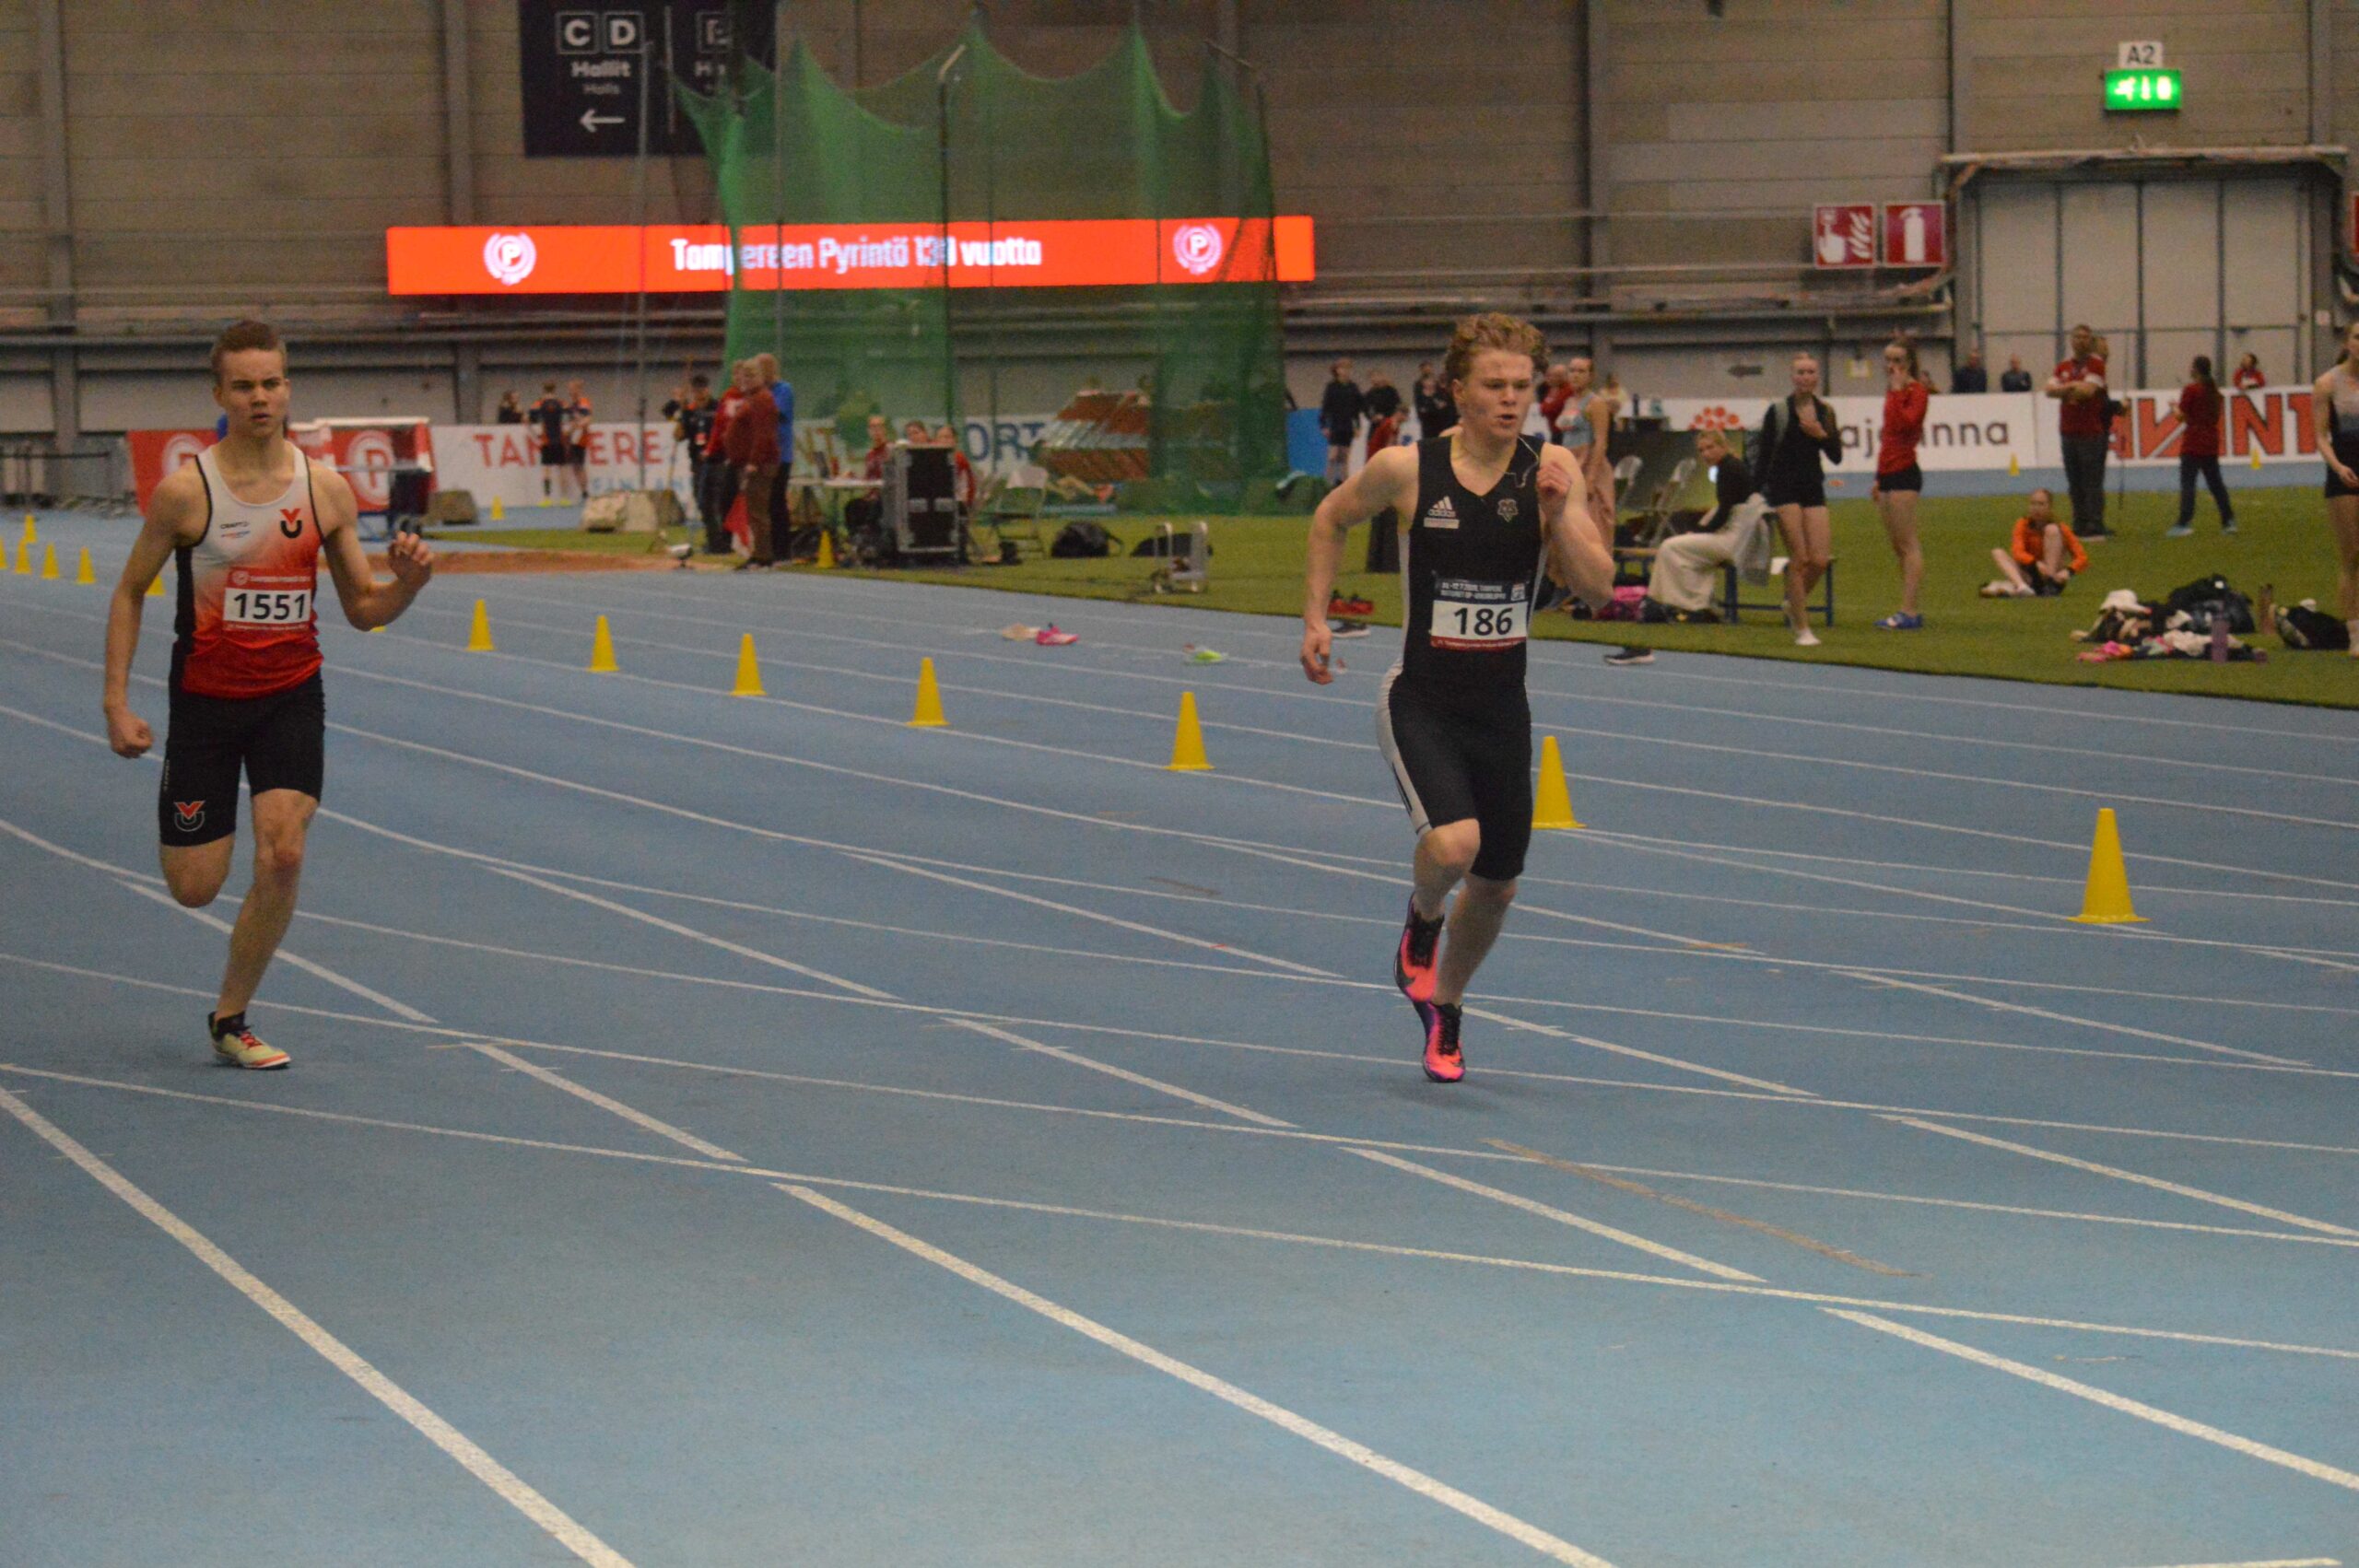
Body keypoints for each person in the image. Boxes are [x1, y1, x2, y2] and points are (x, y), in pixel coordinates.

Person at [101, 320, 434, 1070]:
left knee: (283, 852)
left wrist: (407, 587)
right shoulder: (187, 494)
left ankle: (232, 1017)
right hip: (206, 705)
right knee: (195, 887)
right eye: (245, 385)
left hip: (290, 695)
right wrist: (116, 703)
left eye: (273, 382)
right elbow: (129, 591)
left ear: (288, 388)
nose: (261, 397)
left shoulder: (324, 490)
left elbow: (364, 610)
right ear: (220, 394)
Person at [1299, 312, 1614, 1085]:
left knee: (1499, 884)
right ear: (1458, 392)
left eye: (1522, 386)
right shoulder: (1408, 469)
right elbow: (1331, 517)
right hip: (1422, 698)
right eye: (1494, 385)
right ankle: (1423, 914)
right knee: (1452, 847)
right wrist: (1316, 617)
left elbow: (1600, 589)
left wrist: (1553, 518)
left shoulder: (1552, 467)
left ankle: (1447, 1004)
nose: (1510, 400)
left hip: (1502, 708)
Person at [1755, 352, 1844, 647]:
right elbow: (1764, 455)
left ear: (1817, 377)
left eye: (1811, 372)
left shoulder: (1825, 411)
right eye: (1801, 372)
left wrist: (1820, 434)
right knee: (1800, 557)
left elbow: (1836, 455)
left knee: (1819, 559)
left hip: (1812, 486)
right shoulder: (1779, 411)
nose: (1806, 377)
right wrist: (1755, 493)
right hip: (1783, 487)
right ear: (1793, 377)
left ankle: (1794, 601)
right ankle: (1802, 628)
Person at [1637, 427, 1760, 627]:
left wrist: (1700, 532)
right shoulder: (1732, 466)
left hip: (1734, 539)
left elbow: (1724, 512)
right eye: (1701, 450)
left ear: (1723, 446)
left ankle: (1673, 603)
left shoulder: (1728, 469)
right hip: (1738, 536)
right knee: (1687, 553)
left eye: (1710, 448)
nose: (1705, 454)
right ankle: (1695, 605)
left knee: (1670, 547)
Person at [2307, 321, 2359, 657]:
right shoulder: (2327, 384)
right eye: (2358, 337)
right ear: (2347, 342)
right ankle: (2355, 634)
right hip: (2345, 473)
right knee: (2353, 556)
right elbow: (2320, 436)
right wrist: (2338, 467)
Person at [1872, 339, 1931, 629]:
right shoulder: (1892, 391)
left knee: (1908, 544)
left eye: (1897, 360)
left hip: (1905, 472)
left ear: (1908, 363)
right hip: (1888, 472)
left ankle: (1908, 611)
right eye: (1888, 359)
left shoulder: (1916, 391)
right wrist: (1878, 477)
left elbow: (1908, 423)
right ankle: (1908, 605)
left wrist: (1897, 392)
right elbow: (1888, 436)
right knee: (1898, 545)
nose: (1891, 365)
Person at [2047, 324, 2111, 540]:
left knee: (2091, 481)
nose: (2081, 341)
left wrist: (2065, 389)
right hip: (2068, 431)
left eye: (2085, 337)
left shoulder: (2096, 365)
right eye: (2077, 337)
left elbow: (2087, 391)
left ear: (2090, 341)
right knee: (2074, 481)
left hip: (2090, 431)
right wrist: (2073, 386)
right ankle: (2079, 523)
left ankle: (2095, 523)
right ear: (2071, 340)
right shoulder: (2063, 365)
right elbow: (2049, 390)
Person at [2170, 356, 2235, 538]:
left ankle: (2184, 522)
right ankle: (2228, 520)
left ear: (2196, 369)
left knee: (2188, 484)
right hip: (2210, 442)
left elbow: (2181, 416)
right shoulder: (2214, 392)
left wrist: (2173, 407)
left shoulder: (2191, 390)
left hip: (2193, 442)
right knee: (2216, 484)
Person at [723, 358, 780, 568]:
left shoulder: (762, 399)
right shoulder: (752, 399)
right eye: (744, 376)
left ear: (761, 377)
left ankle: (764, 556)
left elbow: (763, 434)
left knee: (758, 510)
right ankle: (758, 553)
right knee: (753, 510)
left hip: (759, 464)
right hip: (747, 461)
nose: (746, 380)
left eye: (751, 376)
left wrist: (754, 461)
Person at [1982, 488, 2085, 597]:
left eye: (2041, 504)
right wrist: (2034, 563)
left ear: (2049, 507)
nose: (2036, 509)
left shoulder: (2061, 528)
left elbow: (2082, 557)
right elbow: (2017, 552)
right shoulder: (2022, 524)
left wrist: (2069, 571)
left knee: (2052, 530)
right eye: (2033, 504)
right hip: (2031, 572)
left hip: (2053, 576)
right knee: (1997, 552)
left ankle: (2049, 584)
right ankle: (2022, 586)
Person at [664, 374, 717, 539]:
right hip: (697, 462)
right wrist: (680, 416)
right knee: (702, 500)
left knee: (717, 501)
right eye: (696, 390)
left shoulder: (717, 407)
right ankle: (712, 538)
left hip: (717, 461)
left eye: (702, 389)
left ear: (707, 389)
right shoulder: (690, 411)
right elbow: (678, 436)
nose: (700, 392)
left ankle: (721, 540)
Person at [701, 369, 745, 556]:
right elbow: (718, 426)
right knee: (725, 499)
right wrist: (711, 449)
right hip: (728, 457)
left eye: (742, 375)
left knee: (743, 499)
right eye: (735, 375)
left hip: (745, 456)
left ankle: (743, 540)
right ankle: (725, 540)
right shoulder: (728, 396)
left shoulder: (751, 397)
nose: (738, 378)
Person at [757, 353, 795, 555]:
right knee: (764, 503)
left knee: (777, 500)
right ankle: (767, 546)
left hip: (781, 454)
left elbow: (775, 413)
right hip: (763, 455)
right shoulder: (760, 392)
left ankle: (782, 549)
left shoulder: (784, 389)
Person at [1320, 359, 1362, 485]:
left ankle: (1344, 483)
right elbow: (1326, 406)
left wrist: (1357, 426)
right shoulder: (1331, 387)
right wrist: (1324, 425)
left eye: (1348, 368)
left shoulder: (1353, 387)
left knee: (1344, 457)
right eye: (1342, 368)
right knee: (1333, 456)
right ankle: (1327, 483)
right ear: (1337, 370)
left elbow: (1356, 409)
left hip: (1347, 425)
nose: (1346, 371)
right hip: (1335, 424)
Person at [531, 380, 568, 501]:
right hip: (559, 439)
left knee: (546, 469)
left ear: (544, 390)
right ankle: (564, 498)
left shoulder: (539, 403)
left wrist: (533, 431)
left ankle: (547, 498)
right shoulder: (561, 402)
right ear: (554, 389)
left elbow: (529, 418)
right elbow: (570, 415)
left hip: (546, 440)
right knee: (562, 469)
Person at [562, 379, 593, 502]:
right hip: (572, 437)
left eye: (571, 389)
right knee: (575, 466)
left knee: (579, 465)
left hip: (580, 437)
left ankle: (585, 492)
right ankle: (583, 491)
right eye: (568, 389)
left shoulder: (583, 402)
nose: (569, 391)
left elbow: (588, 418)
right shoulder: (572, 405)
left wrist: (577, 425)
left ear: (577, 389)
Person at [1413, 360, 1456, 439]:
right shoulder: (1418, 385)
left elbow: (1443, 400)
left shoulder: (1437, 383)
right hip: (1427, 419)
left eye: (1429, 367)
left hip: (1439, 418)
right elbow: (1418, 401)